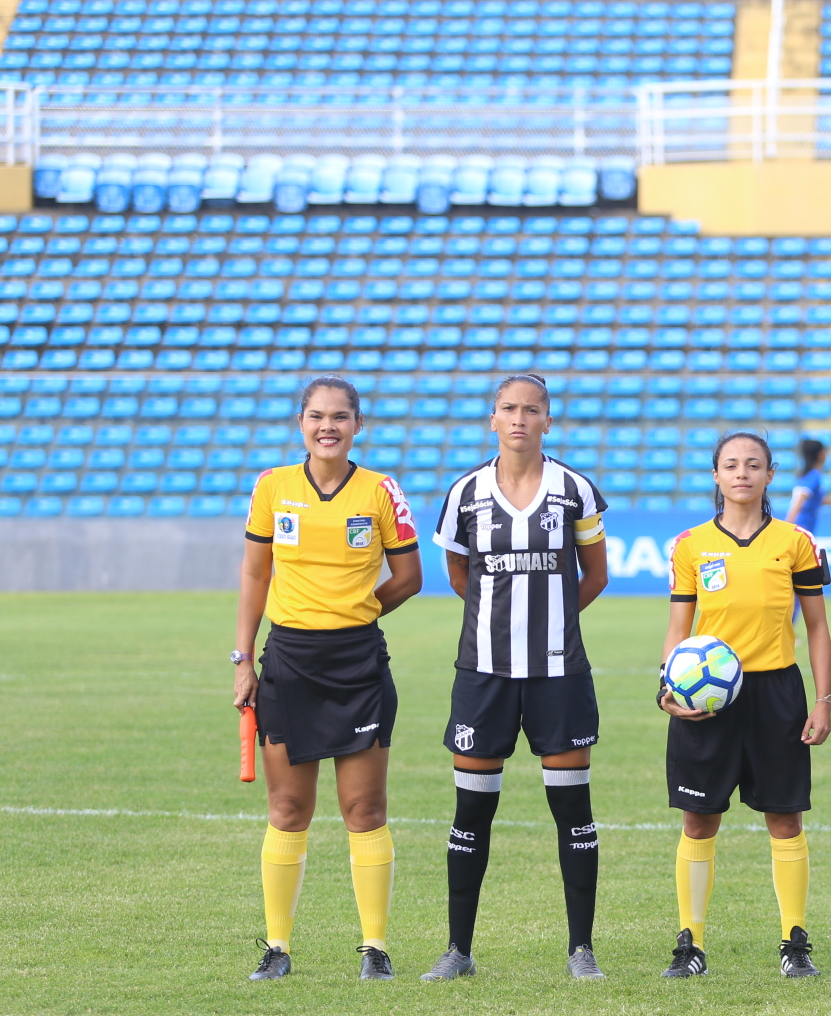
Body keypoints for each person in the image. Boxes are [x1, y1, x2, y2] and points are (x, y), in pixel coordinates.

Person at [420, 374, 610, 983]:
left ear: (548, 421)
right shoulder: (466, 492)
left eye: (532, 409)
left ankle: (581, 949)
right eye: (509, 408)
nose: (520, 418)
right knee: (470, 814)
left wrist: (547, 620)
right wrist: (499, 620)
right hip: (484, 673)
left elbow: (596, 575)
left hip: (559, 671)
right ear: (493, 419)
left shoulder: (574, 489)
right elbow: (459, 571)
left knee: (572, 812)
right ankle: (458, 951)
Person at [233, 375, 422, 982]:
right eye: (317, 416)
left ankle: (374, 947)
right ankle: (277, 948)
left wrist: (358, 612)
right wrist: (243, 658)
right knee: (288, 805)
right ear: (301, 423)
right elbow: (256, 576)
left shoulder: (380, 491)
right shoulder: (273, 486)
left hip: (357, 662)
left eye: (340, 417)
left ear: (357, 426)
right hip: (287, 661)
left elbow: (409, 576)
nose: (328, 427)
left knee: (363, 807)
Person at [658, 431, 831, 979]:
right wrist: (668, 688)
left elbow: (819, 627)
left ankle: (794, 941)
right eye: (731, 465)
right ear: (716, 474)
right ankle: (691, 944)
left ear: (769, 475)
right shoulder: (690, 545)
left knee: (785, 819)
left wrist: (823, 700)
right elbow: (678, 628)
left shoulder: (796, 542)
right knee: (698, 821)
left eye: (753, 465)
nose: (742, 473)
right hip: (705, 700)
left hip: (776, 693)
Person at [786, 438, 828, 534]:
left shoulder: (806, 475)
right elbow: (801, 498)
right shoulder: (814, 476)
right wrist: (788, 524)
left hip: (803, 526)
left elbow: (818, 500)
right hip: (802, 526)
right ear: (821, 454)